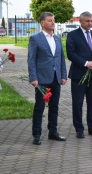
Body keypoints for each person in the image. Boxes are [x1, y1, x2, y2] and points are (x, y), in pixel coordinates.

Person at [28, 12, 67, 145]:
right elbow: (31, 60)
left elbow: (61, 58)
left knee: (54, 107)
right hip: (42, 79)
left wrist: (63, 75)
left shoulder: (57, 38)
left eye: (53, 20)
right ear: (42, 23)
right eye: (50, 20)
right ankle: (37, 134)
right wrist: (33, 78)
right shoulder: (35, 39)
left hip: (56, 78)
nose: (53, 23)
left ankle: (53, 132)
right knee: (39, 107)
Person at [66, 11, 92, 138]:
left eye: (91, 21)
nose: (90, 23)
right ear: (80, 21)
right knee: (78, 103)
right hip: (79, 74)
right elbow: (71, 53)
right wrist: (86, 63)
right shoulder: (72, 35)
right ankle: (79, 128)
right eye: (87, 21)